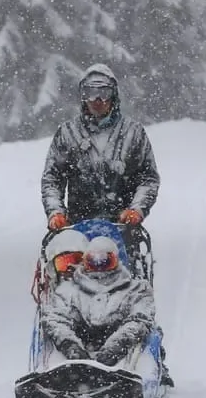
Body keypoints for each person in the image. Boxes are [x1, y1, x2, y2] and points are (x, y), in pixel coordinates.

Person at [39, 64, 160, 265]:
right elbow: (52, 178)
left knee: (131, 284)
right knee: (64, 278)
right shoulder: (68, 134)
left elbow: (148, 178)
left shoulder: (133, 133)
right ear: (82, 95)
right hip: (77, 230)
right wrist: (56, 213)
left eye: (103, 92)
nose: (97, 100)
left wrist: (137, 210)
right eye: (90, 92)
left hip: (123, 230)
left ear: (114, 95)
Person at [39, 234, 156, 370]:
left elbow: (140, 318)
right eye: (92, 261)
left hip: (122, 352)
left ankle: (143, 371)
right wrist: (71, 347)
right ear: (85, 262)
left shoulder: (136, 289)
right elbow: (54, 318)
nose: (99, 265)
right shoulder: (66, 291)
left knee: (148, 334)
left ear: (116, 260)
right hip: (76, 352)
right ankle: (57, 371)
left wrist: (116, 346)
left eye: (105, 261)